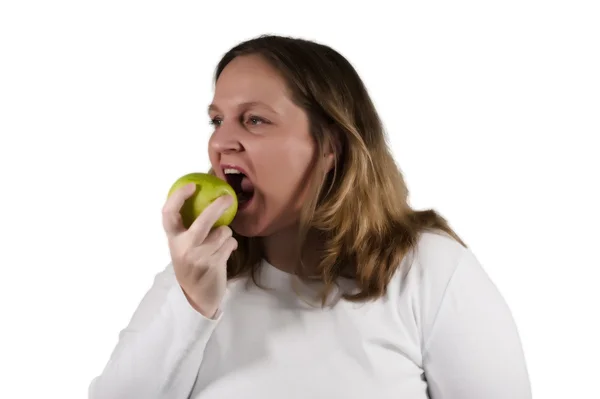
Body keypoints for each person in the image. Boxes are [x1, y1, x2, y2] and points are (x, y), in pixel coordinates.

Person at [88, 34, 532, 399]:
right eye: (217, 120)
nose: (222, 142)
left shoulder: (429, 271)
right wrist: (191, 303)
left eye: (255, 120)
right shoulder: (197, 274)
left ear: (329, 148)